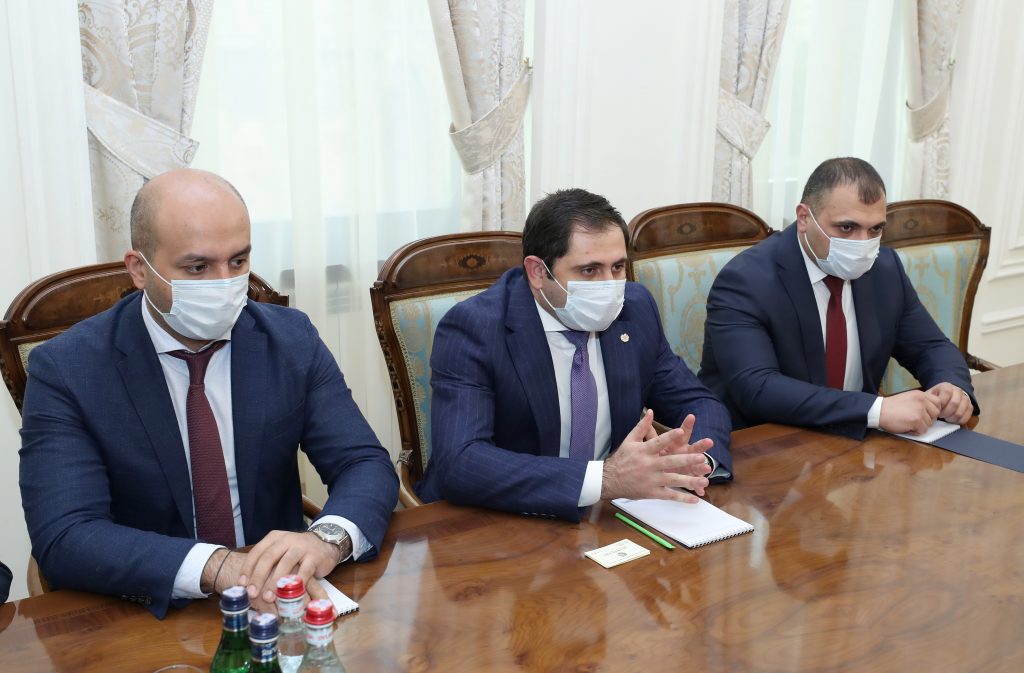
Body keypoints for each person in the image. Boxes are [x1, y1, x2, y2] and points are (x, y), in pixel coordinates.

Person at [19, 169, 398, 618]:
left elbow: (363, 463)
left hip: (280, 602)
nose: (224, 283)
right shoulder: (68, 369)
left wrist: (326, 539)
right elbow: (66, 534)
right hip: (147, 609)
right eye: (197, 267)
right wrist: (218, 566)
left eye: (238, 261)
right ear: (139, 269)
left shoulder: (289, 340)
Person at [417, 188, 733, 521]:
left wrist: (694, 460)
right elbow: (462, 461)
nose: (610, 286)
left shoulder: (635, 308)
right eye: (589, 270)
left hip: (610, 515)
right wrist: (604, 479)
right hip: (498, 519)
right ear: (538, 272)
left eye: (618, 267)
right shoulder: (475, 328)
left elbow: (699, 402)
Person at [700, 157, 978, 439]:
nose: (862, 244)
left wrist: (951, 387)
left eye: (875, 229)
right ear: (804, 218)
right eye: (846, 228)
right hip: (765, 442)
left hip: (855, 443)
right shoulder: (746, 280)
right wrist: (876, 410)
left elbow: (930, 346)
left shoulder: (884, 269)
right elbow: (758, 388)